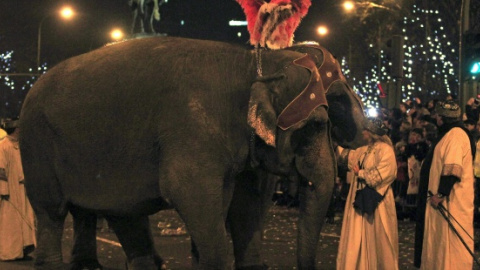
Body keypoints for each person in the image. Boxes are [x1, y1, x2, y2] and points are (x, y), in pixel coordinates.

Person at [416, 100, 475, 269]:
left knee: (451, 244)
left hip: (451, 202)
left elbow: (453, 166)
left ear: (442, 118)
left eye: (438, 116)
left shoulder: (456, 135)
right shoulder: (450, 134)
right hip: (443, 199)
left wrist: (441, 193)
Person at [336, 118, 399, 270]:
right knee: (357, 233)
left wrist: (362, 173)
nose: (363, 132)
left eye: (365, 129)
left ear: (372, 133)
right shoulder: (365, 149)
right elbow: (348, 156)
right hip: (360, 196)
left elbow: (386, 173)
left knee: (378, 235)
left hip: (378, 201)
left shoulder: (386, 150)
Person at [0, 118, 36, 261]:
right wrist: (3, 190)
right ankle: (10, 252)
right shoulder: (3, 146)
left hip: (23, 190)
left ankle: (23, 250)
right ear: (16, 130)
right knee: (11, 222)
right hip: (11, 191)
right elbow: (0, 170)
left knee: (26, 219)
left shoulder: (20, 146)